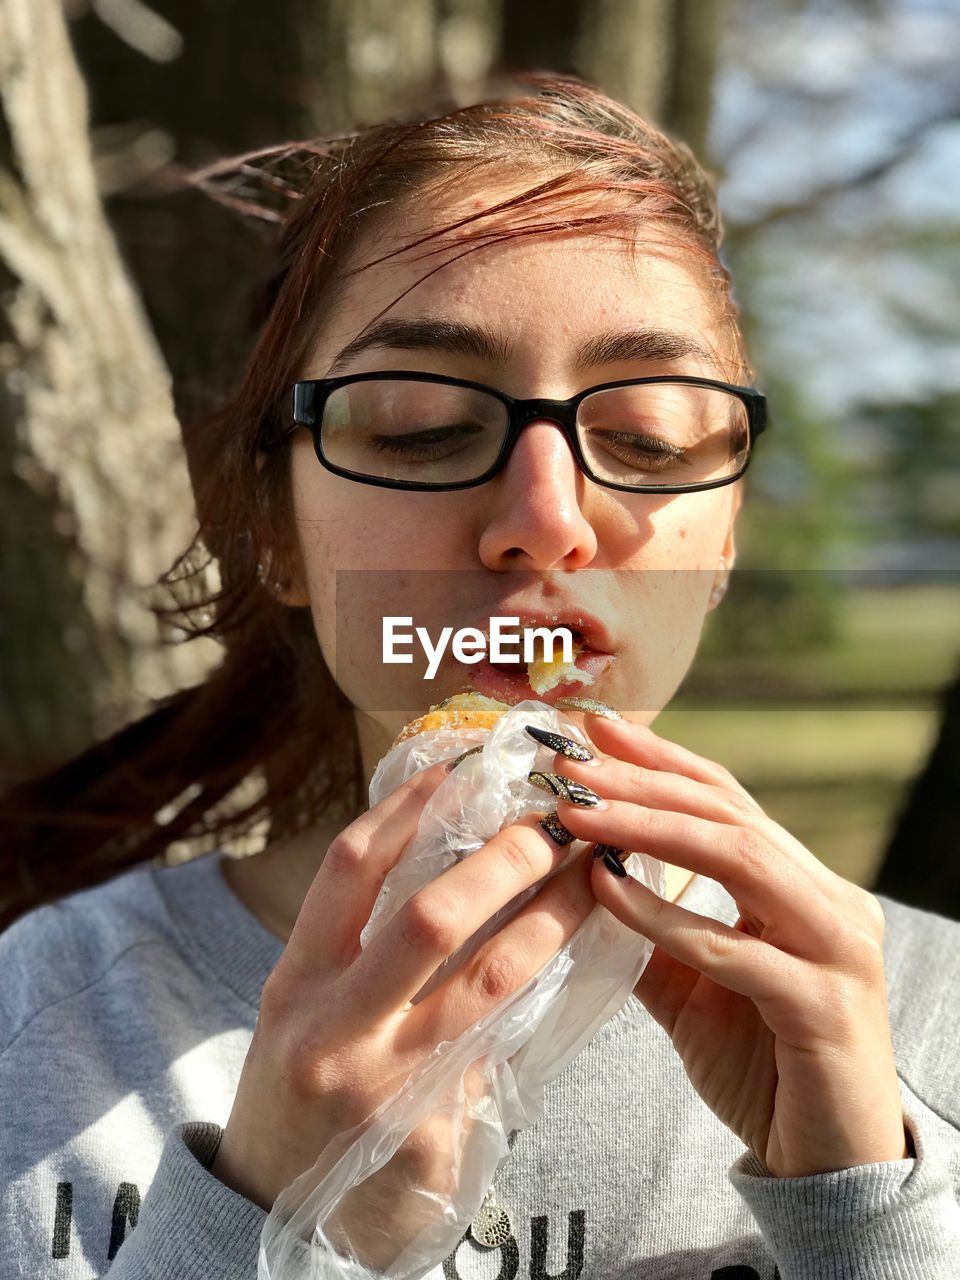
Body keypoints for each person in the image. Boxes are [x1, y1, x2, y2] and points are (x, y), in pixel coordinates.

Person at [2, 74, 959, 1280]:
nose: (546, 519)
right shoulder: (39, 1024)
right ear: (271, 529)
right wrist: (270, 1214)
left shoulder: (934, 1019)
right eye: (415, 423)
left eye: (649, 437)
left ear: (721, 539)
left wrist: (863, 1217)